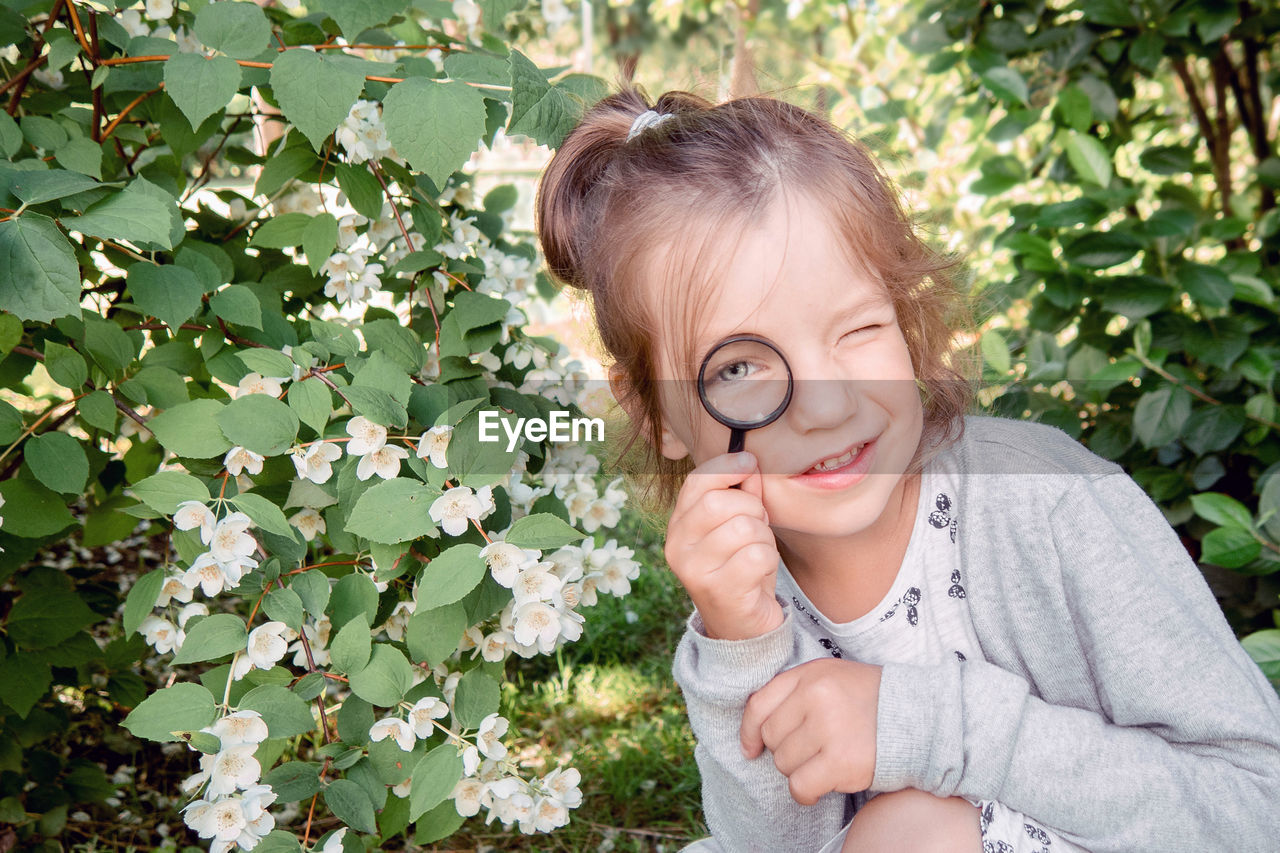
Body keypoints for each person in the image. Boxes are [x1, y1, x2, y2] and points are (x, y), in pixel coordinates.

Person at [534, 86, 1280, 852]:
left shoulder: (1049, 505)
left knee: (910, 832)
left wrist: (928, 725)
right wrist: (741, 644)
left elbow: (1257, 805)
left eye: (857, 329)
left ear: (905, 314)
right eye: (741, 368)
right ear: (658, 413)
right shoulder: (749, 578)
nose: (826, 409)